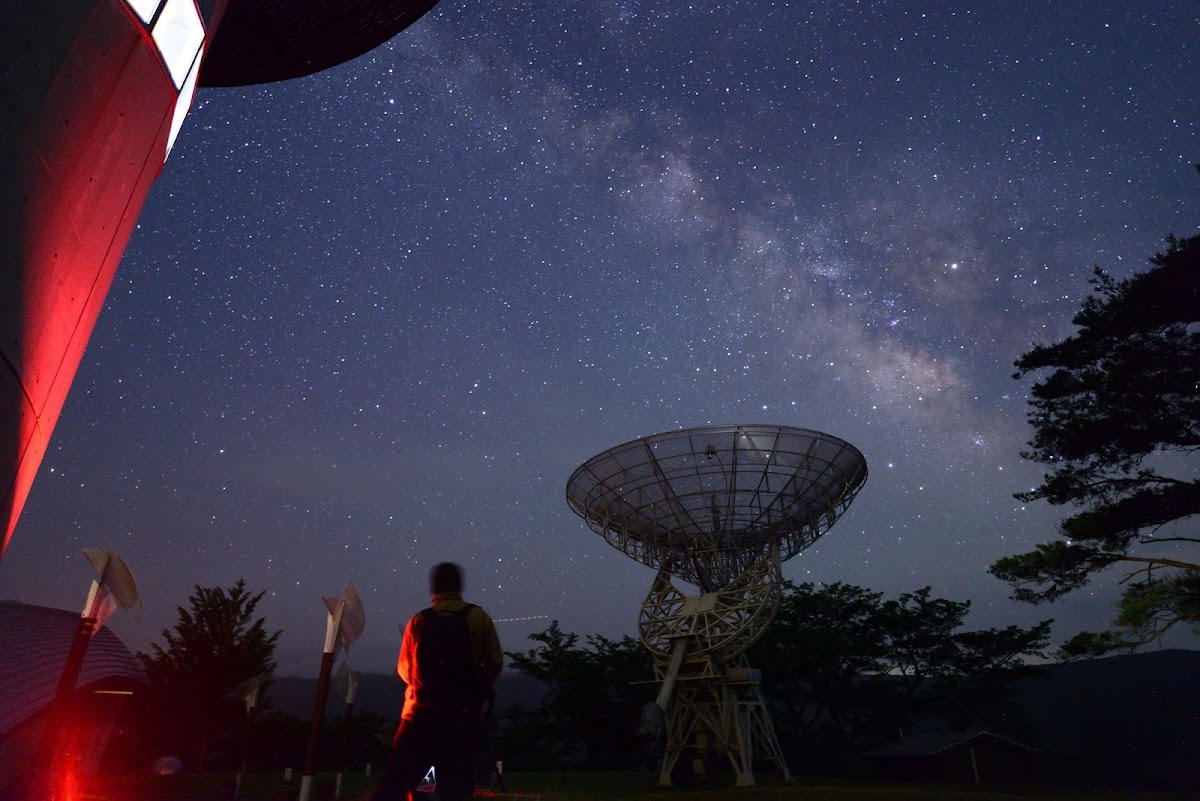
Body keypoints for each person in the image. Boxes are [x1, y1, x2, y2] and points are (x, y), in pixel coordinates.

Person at [370, 562, 503, 801]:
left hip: (419, 715)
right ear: (460, 586)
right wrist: (474, 687)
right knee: (455, 783)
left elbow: (404, 669)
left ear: (434, 588)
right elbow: (495, 662)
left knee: (398, 782)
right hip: (462, 716)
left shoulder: (419, 620)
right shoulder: (478, 617)